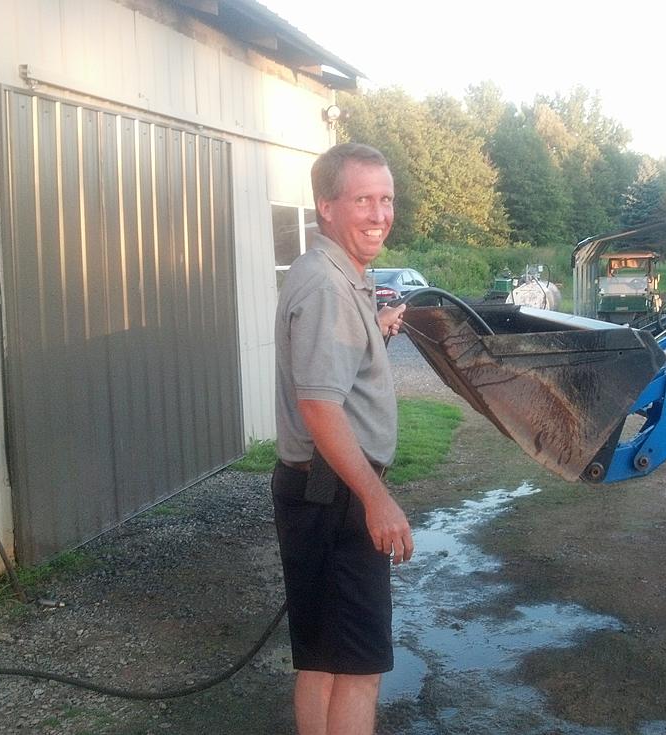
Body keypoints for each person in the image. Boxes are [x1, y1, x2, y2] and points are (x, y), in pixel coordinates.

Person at [273, 142, 414, 735]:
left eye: (385, 199)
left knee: (324, 660)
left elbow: (333, 379)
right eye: (364, 200)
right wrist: (376, 499)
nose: (379, 214)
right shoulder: (330, 289)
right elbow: (320, 407)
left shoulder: (330, 274)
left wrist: (374, 332)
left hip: (318, 491)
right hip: (336, 496)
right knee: (358, 667)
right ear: (327, 205)